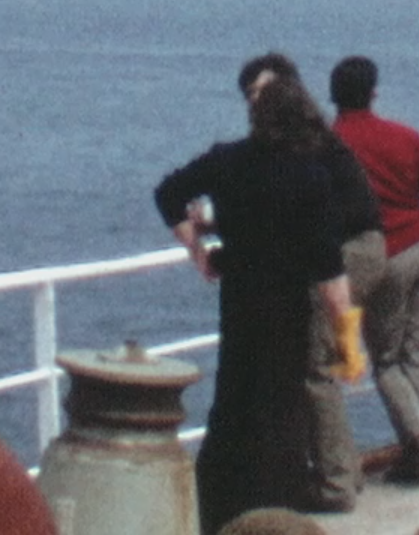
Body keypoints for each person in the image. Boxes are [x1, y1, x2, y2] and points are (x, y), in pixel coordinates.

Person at [154, 72, 368, 535]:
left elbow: (168, 194)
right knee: (281, 421)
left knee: (230, 412)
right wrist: (349, 347)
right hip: (287, 310)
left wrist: (199, 252)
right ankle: (272, 520)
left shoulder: (226, 161)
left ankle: (215, 520)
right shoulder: (311, 179)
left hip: (239, 306)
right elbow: (331, 278)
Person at [236, 53, 386, 513]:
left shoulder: (303, 142)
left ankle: (337, 483)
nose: (254, 102)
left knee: (318, 368)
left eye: (261, 92)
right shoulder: (304, 137)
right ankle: (342, 472)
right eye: (250, 95)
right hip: (352, 250)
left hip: (347, 253)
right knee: (326, 361)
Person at [327, 56, 419, 485]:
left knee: (387, 360)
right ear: (374, 92)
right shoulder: (404, 137)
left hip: (380, 257)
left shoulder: (332, 145)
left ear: (333, 97)